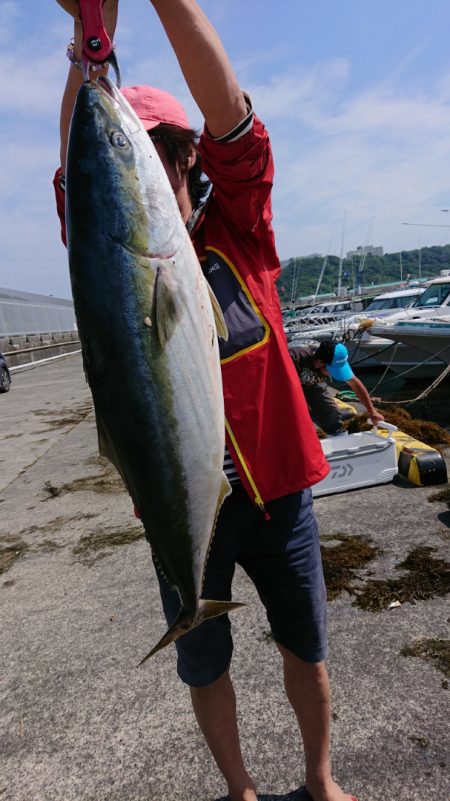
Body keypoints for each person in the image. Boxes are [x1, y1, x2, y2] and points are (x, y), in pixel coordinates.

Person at [54, 2, 358, 800]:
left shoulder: (241, 230)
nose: (161, 165)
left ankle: (320, 779)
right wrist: (90, 47)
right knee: (204, 657)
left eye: (171, 151)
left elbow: (237, 128)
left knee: (307, 647)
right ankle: (240, 791)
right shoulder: (111, 259)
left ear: (191, 156)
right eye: (145, 153)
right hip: (182, 505)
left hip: (279, 489)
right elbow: (86, 179)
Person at [290, 341, 384, 436]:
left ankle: (337, 435)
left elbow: (355, 384)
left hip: (313, 384)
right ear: (320, 362)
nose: (332, 374)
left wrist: (372, 411)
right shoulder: (295, 358)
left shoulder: (328, 359)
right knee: (298, 416)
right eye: (332, 370)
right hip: (287, 387)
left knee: (332, 415)